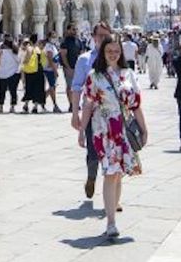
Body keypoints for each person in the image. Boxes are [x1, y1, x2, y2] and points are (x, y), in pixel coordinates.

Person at [78, 35, 147, 239]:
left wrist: (144, 129)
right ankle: (111, 223)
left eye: (116, 51)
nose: (113, 54)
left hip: (123, 128)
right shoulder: (94, 76)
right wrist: (82, 130)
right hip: (104, 128)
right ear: (103, 52)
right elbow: (89, 104)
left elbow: (136, 105)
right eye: (109, 51)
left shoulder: (128, 74)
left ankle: (113, 210)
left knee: (118, 174)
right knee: (110, 172)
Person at [71, 21, 113, 199]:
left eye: (106, 36)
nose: (103, 39)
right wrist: (75, 114)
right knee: (93, 153)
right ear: (94, 37)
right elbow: (76, 87)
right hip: (92, 113)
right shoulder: (85, 59)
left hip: (113, 114)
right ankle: (91, 177)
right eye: (100, 36)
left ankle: (113, 194)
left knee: (114, 154)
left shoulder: (116, 58)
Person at [21, 35, 47, 113]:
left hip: (31, 70)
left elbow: (27, 57)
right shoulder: (39, 49)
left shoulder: (30, 48)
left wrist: (24, 62)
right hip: (39, 70)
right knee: (37, 88)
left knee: (29, 87)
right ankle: (35, 106)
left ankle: (26, 105)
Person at [0, 36, 21, 113]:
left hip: (2, 74)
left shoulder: (2, 52)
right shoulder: (16, 52)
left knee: (2, 91)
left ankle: (0, 106)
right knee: (13, 91)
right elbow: (19, 62)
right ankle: (12, 107)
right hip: (13, 74)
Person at [59, 24, 82, 104]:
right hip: (69, 67)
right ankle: (71, 103)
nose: (75, 31)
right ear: (68, 30)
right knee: (70, 86)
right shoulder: (65, 42)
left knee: (78, 86)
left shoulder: (78, 41)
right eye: (73, 29)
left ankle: (76, 102)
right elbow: (63, 55)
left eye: (76, 29)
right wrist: (68, 67)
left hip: (77, 67)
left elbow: (81, 54)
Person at [42, 36, 61, 112]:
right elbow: (50, 59)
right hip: (50, 69)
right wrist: (55, 70)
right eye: (53, 36)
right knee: (52, 87)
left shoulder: (53, 46)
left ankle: (42, 100)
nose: (54, 38)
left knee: (53, 87)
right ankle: (55, 104)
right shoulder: (49, 46)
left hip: (52, 68)